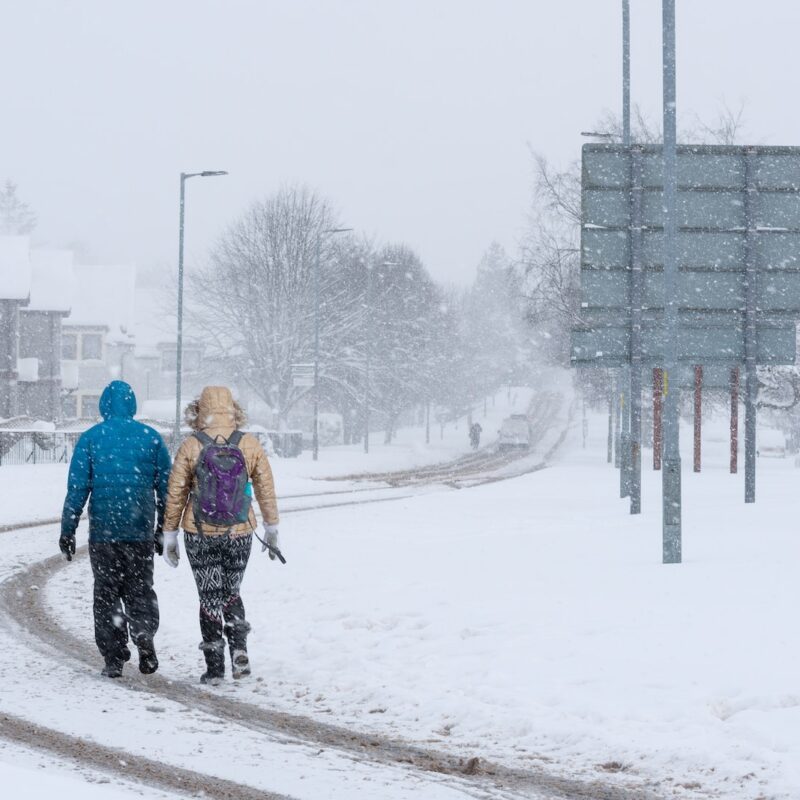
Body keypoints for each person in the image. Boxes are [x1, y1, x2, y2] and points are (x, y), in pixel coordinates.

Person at [161, 386, 280, 684]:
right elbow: (265, 487)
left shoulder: (191, 445)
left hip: (199, 533)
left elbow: (175, 493)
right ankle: (239, 652)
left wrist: (169, 534)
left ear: (199, 409)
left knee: (209, 597)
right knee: (231, 592)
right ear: (234, 408)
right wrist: (272, 526)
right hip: (240, 532)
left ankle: (214, 667)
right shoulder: (249, 443)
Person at [59, 380, 171, 678]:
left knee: (106, 593)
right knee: (140, 590)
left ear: (104, 405)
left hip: (104, 532)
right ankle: (143, 633)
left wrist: (68, 529)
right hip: (140, 530)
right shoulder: (151, 438)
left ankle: (113, 655)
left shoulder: (91, 439)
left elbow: (78, 489)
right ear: (132, 405)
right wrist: (163, 528)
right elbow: (166, 489)